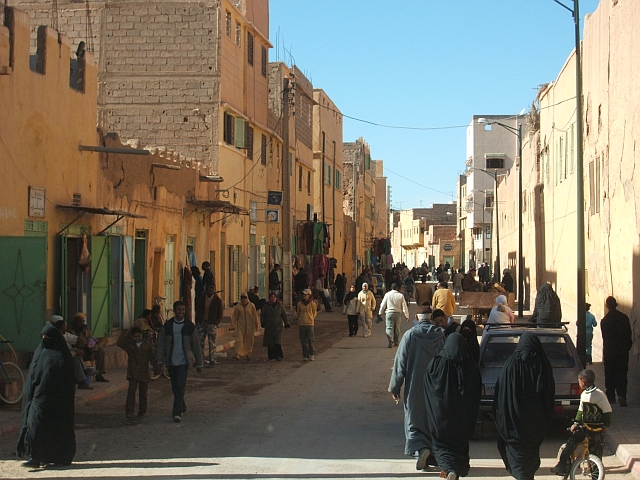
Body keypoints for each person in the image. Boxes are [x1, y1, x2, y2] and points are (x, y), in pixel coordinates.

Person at [389, 304, 445, 470]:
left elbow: (400, 364)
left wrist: (395, 388)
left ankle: (421, 449)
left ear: (417, 318)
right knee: (433, 420)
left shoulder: (410, 335)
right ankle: (432, 454)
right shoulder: (441, 335)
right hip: (436, 386)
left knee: (415, 420)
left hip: (415, 386)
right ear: (431, 318)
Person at [494, 332, 555, 480]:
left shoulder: (510, 365)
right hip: (535, 422)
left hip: (513, 423)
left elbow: (500, 393)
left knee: (517, 454)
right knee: (530, 453)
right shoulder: (542, 364)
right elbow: (548, 393)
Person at [425, 333, 482, 480]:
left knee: (442, 445)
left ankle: (449, 469)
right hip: (463, 419)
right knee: (459, 445)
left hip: (441, 416)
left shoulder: (436, 364)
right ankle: (453, 469)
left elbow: (428, 386)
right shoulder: (470, 366)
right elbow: (476, 391)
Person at [17, 326, 76, 468]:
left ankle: (60, 458)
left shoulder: (62, 356)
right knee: (35, 427)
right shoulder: (39, 353)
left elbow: (67, 381)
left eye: (47, 338)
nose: (44, 340)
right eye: (42, 337)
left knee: (57, 430)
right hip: (38, 399)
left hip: (57, 402)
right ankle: (35, 457)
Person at [551, 369, 612, 475]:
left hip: (596, 429)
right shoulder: (585, 394)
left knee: (595, 453)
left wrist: (606, 426)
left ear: (583, 381)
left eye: (579, 381)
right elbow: (581, 411)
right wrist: (575, 423)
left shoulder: (598, 395)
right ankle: (562, 465)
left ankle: (595, 474)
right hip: (585, 428)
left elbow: (607, 412)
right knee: (572, 443)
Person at [156, 301, 203, 422]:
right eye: (179, 310)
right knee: (175, 387)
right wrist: (159, 361)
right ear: (174, 311)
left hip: (184, 362)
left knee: (180, 385)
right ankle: (182, 405)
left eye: (183, 310)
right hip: (171, 362)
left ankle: (176, 413)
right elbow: (161, 344)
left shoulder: (189, 326)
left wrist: (199, 363)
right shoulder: (168, 326)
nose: (181, 312)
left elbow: (196, 346)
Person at [117, 326, 158, 420]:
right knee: (131, 392)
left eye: (139, 336)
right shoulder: (129, 345)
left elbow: (152, 357)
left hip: (144, 372)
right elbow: (119, 343)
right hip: (133, 372)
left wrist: (156, 367)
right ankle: (129, 412)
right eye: (135, 337)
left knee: (143, 394)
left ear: (142, 336)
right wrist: (126, 332)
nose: (137, 339)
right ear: (132, 337)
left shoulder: (147, 345)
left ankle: (142, 412)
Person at [601, 296, 633, 406]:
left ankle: (611, 397)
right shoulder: (624, 318)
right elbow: (629, 334)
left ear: (607, 306)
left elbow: (605, 337)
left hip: (609, 351)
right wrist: (627, 347)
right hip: (622, 352)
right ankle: (622, 395)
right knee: (622, 373)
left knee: (609, 374)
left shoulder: (605, 321)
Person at [68, 312, 108, 382]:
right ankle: (81, 378)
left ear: (83, 322)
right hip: (76, 349)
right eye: (77, 320)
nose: (78, 323)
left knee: (100, 350)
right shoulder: (69, 329)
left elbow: (91, 338)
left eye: (80, 321)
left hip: (86, 349)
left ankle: (99, 374)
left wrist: (91, 345)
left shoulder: (86, 329)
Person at [194, 284, 223, 367]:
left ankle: (212, 359)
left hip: (211, 324)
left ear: (215, 290)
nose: (211, 290)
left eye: (212, 288)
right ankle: (200, 359)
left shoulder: (217, 300)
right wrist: (198, 320)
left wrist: (215, 322)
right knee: (200, 341)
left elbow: (220, 313)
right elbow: (197, 309)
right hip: (202, 323)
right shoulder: (201, 299)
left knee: (212, 342)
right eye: (209, 288)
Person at [261, 292, 290, 361]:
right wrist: (263, 322)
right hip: (269, 327)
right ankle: (271, 356)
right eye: (271, 297)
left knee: (277, 342)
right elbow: (263, 315)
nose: (273, 299)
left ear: (276, 298)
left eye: (274, 297)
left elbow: (284, 315)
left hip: (278, 327)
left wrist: (287, 323)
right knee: (270, 342)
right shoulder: (266, 306)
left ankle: (278, 356)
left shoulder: (279, 306)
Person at [230, 292, 260, 361]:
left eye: (245, 298)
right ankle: (237, 354)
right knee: (239, 339)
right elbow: (234, 316)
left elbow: (255, 315)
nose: (243, 300)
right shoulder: (238, 307)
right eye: (242, 298)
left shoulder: (252, 306)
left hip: (250, 326)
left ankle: (248, 354)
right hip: (241, 325)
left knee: (249, 340)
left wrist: (256, 324)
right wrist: (233, 325)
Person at [379, 283, 409, 348]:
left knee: (389, 327)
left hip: (389, 313)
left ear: (391, 288)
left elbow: (383, 304)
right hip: (398, 313)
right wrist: (407, 315)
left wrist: (380, 312)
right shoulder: (400, 295)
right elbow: (404, 306)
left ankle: (390, 340)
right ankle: (396, 342)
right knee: (397, 328)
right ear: (397, 288)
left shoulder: (387, 294)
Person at [296, 289, 318, 361]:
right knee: (303, 341)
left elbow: (314, 312)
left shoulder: (312, 304)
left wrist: (311, 318)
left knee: (310, 340)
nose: (304, 296)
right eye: (303, 295)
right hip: (302, 323)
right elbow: (298, 313)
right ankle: (305, 355)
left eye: (306, 295)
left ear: (309, 295)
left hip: (310, 323)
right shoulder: (299, 304)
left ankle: (311, 354)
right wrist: (300, 319)